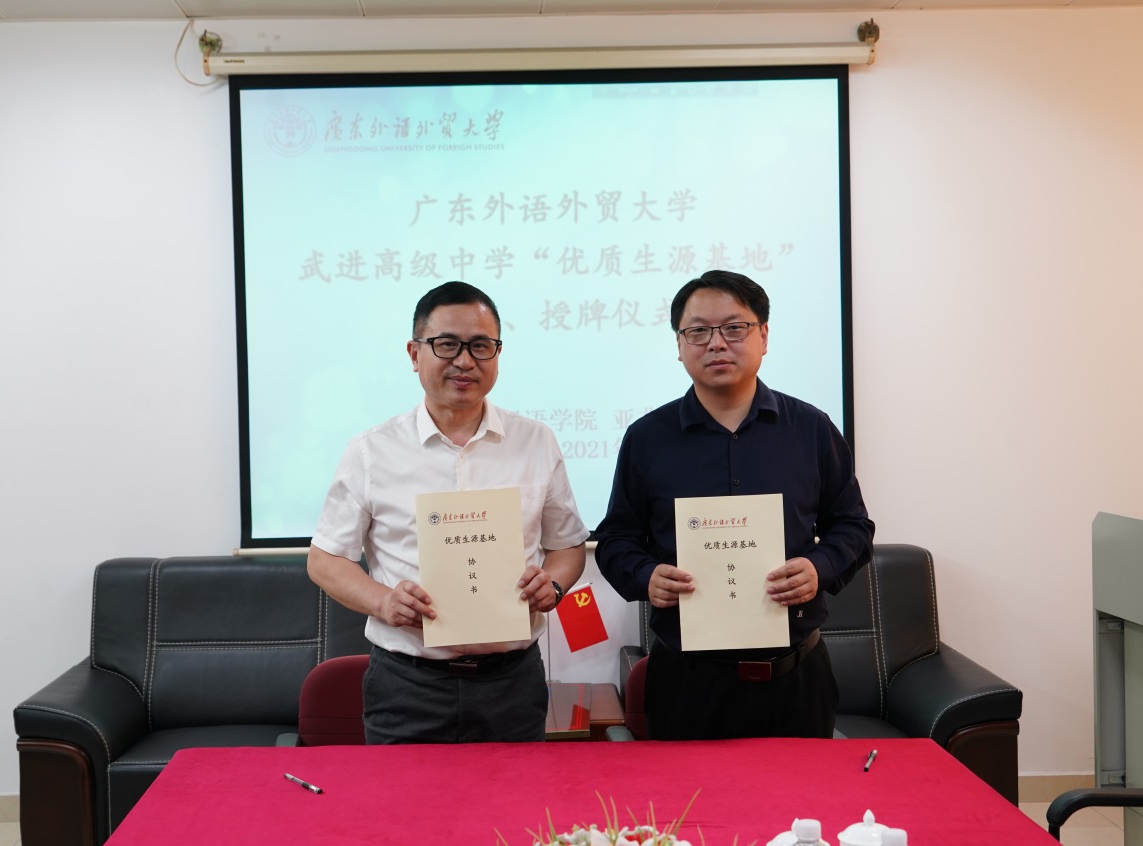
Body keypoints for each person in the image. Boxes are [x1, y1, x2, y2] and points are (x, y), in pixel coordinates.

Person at [595, 270, 874, 740]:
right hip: (687, 684)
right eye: (698, 331)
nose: (716, 343)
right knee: (687, 792)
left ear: (763, 335)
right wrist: (646, 576)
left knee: (801, 791)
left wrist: (818, 567)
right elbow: (616, 538)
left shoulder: (811, 429)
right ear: (679, 344)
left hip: (796, 678)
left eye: (734, 327)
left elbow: (853, 526)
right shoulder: (647, 439)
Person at [307, 280, 589, 744]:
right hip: (407, 684)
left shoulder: (536, 442)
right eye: (446, 344)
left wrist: (554, 585)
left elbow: (567, 547)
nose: (465, 361)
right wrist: (383, 601)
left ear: (497, 353)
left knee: (514, 794)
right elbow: (325, 560)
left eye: (481, 346)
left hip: (512, 683)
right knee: (404, 795)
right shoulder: (371, 451)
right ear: (414, 353)